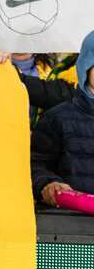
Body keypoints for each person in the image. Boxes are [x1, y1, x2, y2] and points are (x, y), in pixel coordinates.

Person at [31, 31, 94, 205]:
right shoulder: (57, 118)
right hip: (69, 223)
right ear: (85, 68)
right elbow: (35, 165)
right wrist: (48, 183)